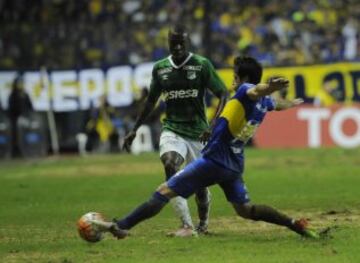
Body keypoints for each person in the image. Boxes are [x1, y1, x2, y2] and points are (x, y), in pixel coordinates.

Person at [92, 56, 319, 240]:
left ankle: (120, 226)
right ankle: (293, 224)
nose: (232, 80)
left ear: (243, 78)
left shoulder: (246, 91)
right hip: (234, 164)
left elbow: (255, 90)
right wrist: (289, 103)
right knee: (245, 210)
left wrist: (268, 87)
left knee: (164, 191)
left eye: (235, 76)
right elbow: (275, 104)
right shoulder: (263, 103)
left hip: (214, 160)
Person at [123, 24, 228, 236]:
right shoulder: (160, 68)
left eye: (182, 43)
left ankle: (203, 223)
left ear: (187, 43)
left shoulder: (201, 65)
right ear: (168, 44)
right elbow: (150, 101)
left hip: (199, 133)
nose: (178, 47)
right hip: (172, 129)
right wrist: (134, 129)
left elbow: (223, 94)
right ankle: (186, 225)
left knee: (200, 186)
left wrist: (213, 124)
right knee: (170, 165)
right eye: (174, 43)